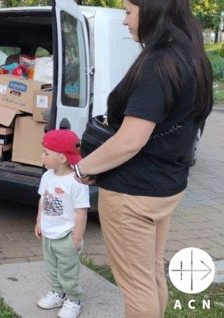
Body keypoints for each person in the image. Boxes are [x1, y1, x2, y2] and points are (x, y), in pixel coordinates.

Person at [73, 1, 213, 316]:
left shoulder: (159, 63)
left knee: (136, 287)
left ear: (152, 10)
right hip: (164, 188)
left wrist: (84, 167)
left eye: (128, 11)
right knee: (149, 273)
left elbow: (130, 141)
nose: (125, 21)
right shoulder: (191, 56)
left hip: (131, 194)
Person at [34, 130, 89, 318]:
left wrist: (77, 238)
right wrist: (38, 222)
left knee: (68, 271)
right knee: (52, 267)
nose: (42, 155)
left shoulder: (77, 182)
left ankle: (73, 299)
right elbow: (43, 200)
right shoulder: (47, 176)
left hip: (67, 235)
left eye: (46, 153)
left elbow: (81, 211)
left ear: (63, 158)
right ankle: (58, 293)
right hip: (48, 235)